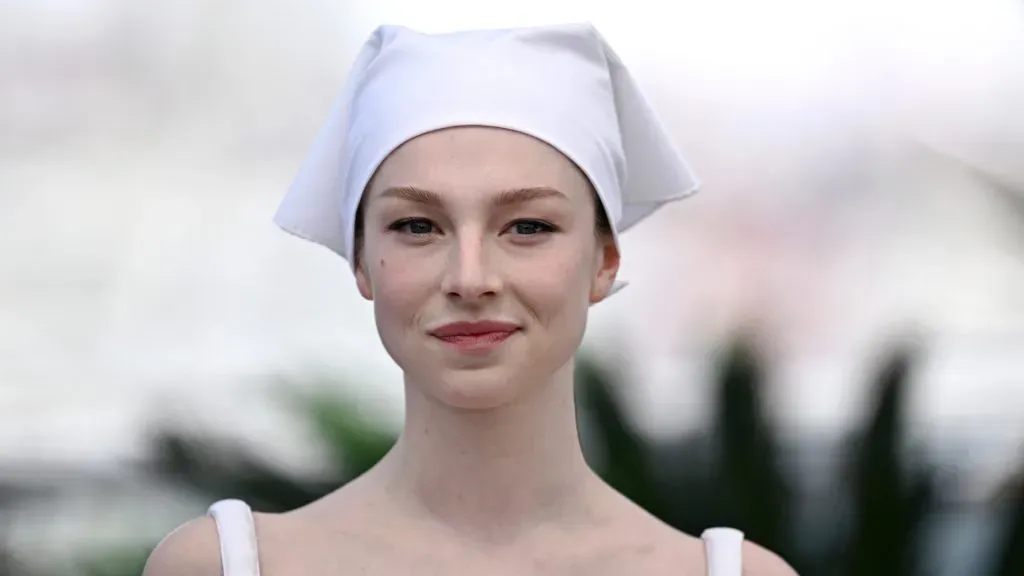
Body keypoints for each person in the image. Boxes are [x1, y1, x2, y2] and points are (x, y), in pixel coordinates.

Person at [143, 22, 798, 576]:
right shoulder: (226, 565)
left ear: (603, 262)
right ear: (362, 261)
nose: (470, 276)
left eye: (528, 227)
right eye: (417, 227)